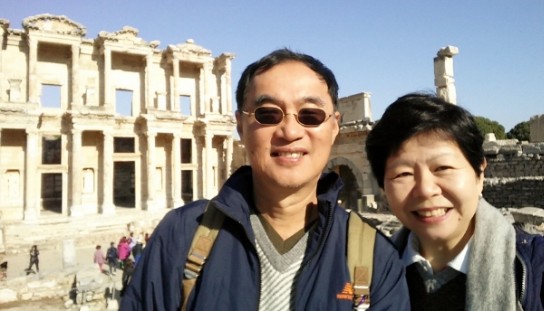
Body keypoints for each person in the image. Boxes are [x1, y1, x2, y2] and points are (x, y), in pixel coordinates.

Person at [121, 48, 409, 310]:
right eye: (268, 114)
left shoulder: (376, 259)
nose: (290, 131)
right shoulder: (179, 235)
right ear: (241, 126)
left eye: (310, 115)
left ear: (335, 126)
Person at [365, 92, 544, 310]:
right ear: (383, 187)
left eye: (443, 168)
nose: (425, 190)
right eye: (403, 174)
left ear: (480, 174)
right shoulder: (363, 274)